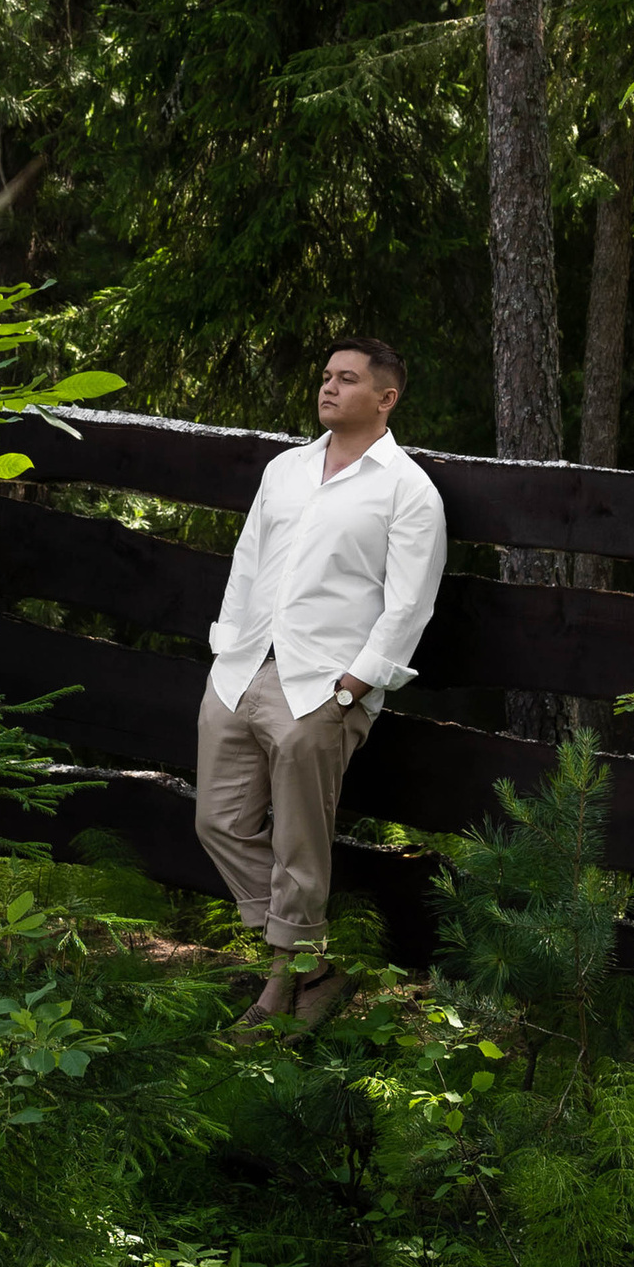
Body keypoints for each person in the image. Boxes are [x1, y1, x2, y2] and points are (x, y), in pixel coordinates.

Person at [195, 337, 448, 1034]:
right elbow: (248, 562)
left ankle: (279, 990)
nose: (328, 388)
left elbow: (409, 604)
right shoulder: (285, 470)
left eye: (347, 379)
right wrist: (226, 650)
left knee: (301, 843)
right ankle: (311, 964)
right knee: (217, 821)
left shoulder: (407, 491)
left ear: (385, 398)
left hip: (322, 689)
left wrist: (353, 688)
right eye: (326, 376)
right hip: (243, 670)